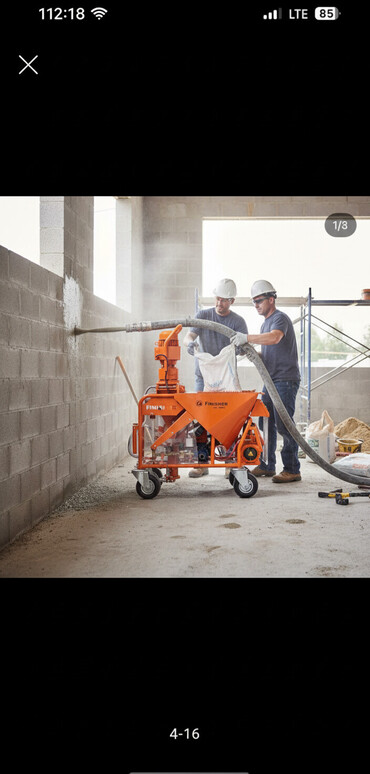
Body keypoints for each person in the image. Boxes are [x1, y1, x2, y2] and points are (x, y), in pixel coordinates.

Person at [231, 279, 301, 483]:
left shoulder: (280, 319)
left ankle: (292, 469)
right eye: (254, 302)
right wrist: (250, 352)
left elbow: (274, 338)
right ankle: (267, 465)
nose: (256, 305)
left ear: (271, 299)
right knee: (265, 420)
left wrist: (248, 337)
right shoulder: (265, 323)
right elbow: (269, 350)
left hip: (285, 380)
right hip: (272, 380)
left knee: (284, 424)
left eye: (259, 300)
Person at [183, 278, 248, 477]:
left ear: (232, 301)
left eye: (225, 300)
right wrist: (189, 343)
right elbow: (189, 336)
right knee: (202, 419)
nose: (220, 304)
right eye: (218, 299)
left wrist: (240, 347)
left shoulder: (237, 322)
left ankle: (229, 462)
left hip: (226, 379)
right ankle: (201, 464)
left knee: (229, 419)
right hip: (203, 376)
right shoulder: (203, 315)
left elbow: (244, 348)